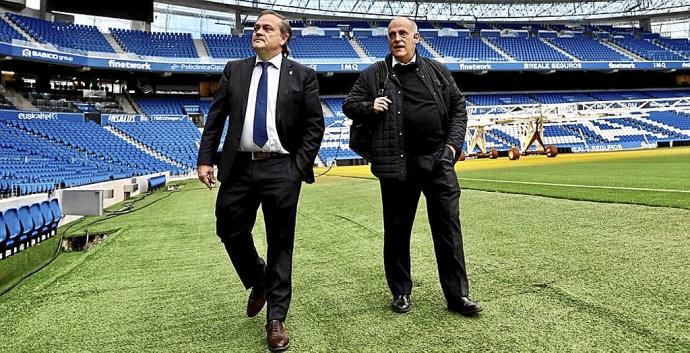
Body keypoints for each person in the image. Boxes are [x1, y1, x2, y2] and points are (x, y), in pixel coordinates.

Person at [197, 10, 324, 352]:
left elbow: (315, 126)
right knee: (228, 226)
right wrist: (206, 158)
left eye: (267, 28)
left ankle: (276, 319)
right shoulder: (235, 70)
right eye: (255, 27)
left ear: (283, 38)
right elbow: (216, 118)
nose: (258, 31)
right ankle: (259, 278)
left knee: (280, 242)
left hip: (282, 168)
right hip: (239, 166)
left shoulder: (304, 75)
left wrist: (298, 166)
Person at [342, 17, 482, 316]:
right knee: (397, 232)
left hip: (438, 162)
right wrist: (370, 106)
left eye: (403, 33)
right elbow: (349, 104)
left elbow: (458, 107)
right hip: (397, 166)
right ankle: (401, 292)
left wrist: (451, 147)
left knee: (448, 230)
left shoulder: (437, 70)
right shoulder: (374, 75)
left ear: (416, 38)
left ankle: (457, 296)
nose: (397, 38)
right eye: (392, 34)